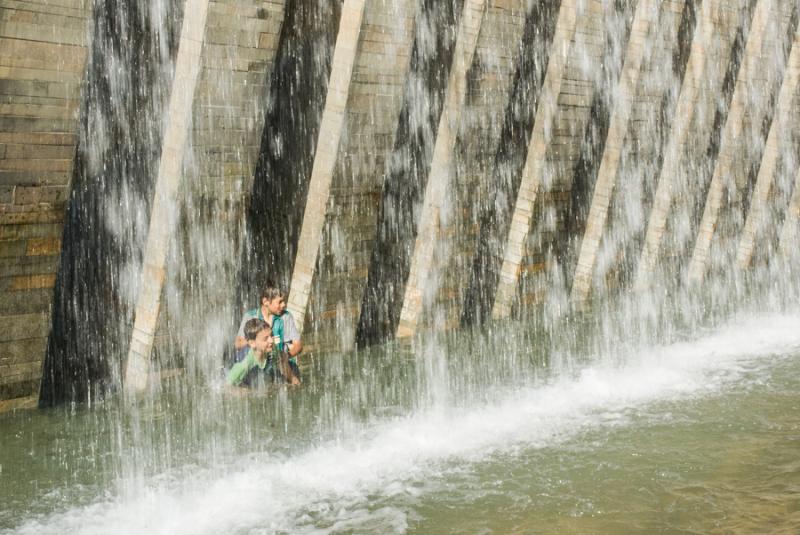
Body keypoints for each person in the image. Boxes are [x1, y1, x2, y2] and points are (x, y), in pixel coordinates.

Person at [234, 282, 303, 366]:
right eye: (280, 302)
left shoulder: (286, 317)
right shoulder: (250, 316)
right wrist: (260, 340)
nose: (284, 305)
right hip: (258, 363)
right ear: (265, 301)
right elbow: (238, 344)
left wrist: (285, 357)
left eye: (284, 301)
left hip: (282, 363)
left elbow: (298, 345)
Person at [227, 318, 300, 387]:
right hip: (240, 379)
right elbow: (226, 387)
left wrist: (295, 382)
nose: (271, 340)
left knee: (292, 367)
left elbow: (284, 365)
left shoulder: (272, 350)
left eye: (271, 335)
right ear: (252, 343)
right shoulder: (244, 363)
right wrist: (249, 393)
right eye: (265, 339)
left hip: (259, 374)